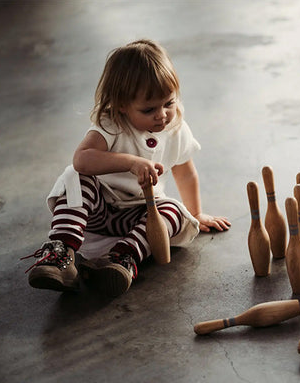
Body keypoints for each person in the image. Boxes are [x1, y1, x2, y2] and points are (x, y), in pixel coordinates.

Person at [23, 39, 230, 296]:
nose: (162, 115)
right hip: (96, 213)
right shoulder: (112, 124)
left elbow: (186, 173)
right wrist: (131, 162)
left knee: (174, 210)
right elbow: (82, 159)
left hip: (139, 217)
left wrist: (196, 214)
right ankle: (61, 254)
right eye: (149, 109)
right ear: (122, 104)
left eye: (169, 103)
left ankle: (121, 259)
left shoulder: (176, 128)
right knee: (75, 178)